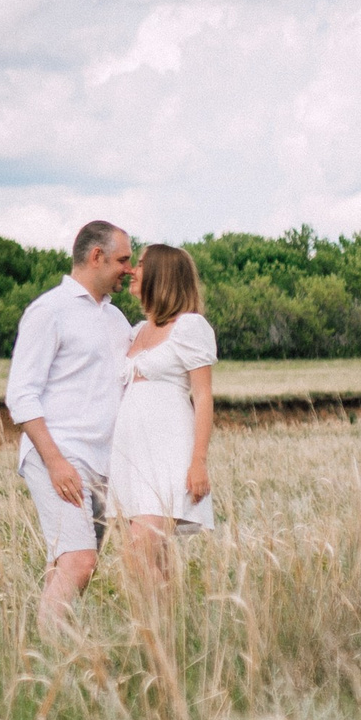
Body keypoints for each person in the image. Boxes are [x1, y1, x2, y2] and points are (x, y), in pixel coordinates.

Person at [6, 219, 136, 620]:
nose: (129, 269)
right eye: (123, 260)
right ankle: (51, 648)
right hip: (60, 455)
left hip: (103, 464)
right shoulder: (50, 311)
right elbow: (21, 394)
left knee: (70, 564)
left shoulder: (117, 320)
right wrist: (56, 462)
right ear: (97, 256)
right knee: (80, 561)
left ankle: (41, 648)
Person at [107, 243, 217, 585]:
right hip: (132, 456)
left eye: (140, 264)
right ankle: (166, 620)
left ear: (161, 274)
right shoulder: (136, 330)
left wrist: (198, 461)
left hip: (168, 455)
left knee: (138, 551)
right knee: (156, 557)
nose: (132, 270)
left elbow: (203, 395)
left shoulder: (189, 327)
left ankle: (157, 621)